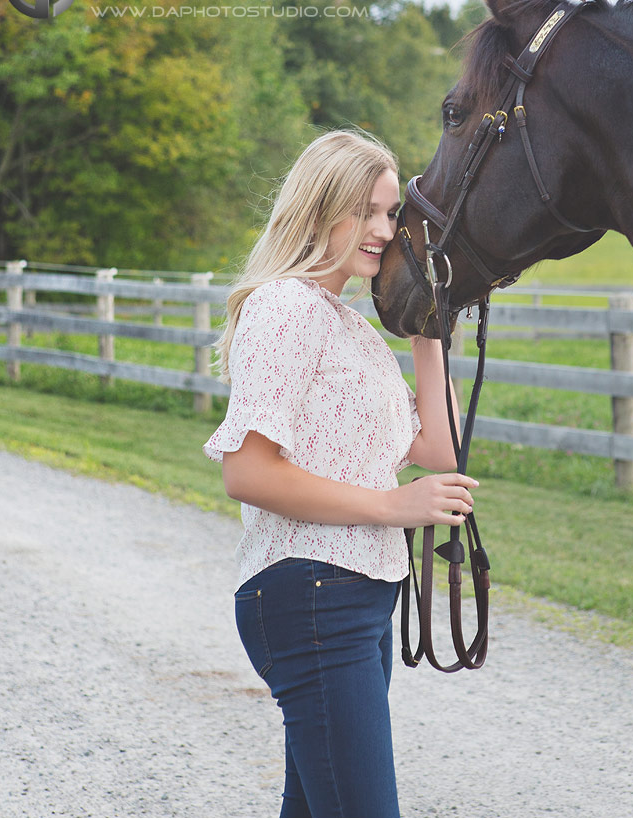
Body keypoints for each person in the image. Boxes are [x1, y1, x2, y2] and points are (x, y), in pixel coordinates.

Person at [204, 128, 479, 819]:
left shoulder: (348, 325)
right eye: (368, 211)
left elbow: (439, 451)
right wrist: (394, 507)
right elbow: (249, 473)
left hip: (357, 595)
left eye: (391, 214)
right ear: (319, 207)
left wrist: (427, 333)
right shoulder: (285, 308)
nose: (385, 231)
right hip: (310, 588)